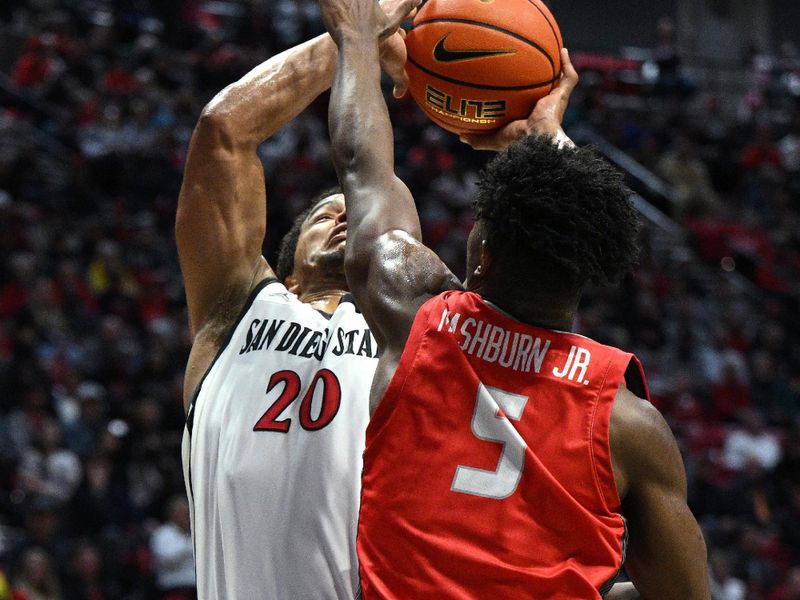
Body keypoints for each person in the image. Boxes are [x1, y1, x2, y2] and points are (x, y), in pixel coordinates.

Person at [320, 0, 710, 597]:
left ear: (482, 260)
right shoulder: (628, 423)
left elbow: (361, 165)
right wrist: (547, 142)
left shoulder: (417, 318)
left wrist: (354, 35)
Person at [175, 5, 410, 597]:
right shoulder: (235, 307)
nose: (346, 220)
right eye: (327, 214)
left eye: (354, 215)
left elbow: (387, 208)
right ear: (288, 255)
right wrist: (357, 40)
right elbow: (222, 133)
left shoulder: (406, 336)